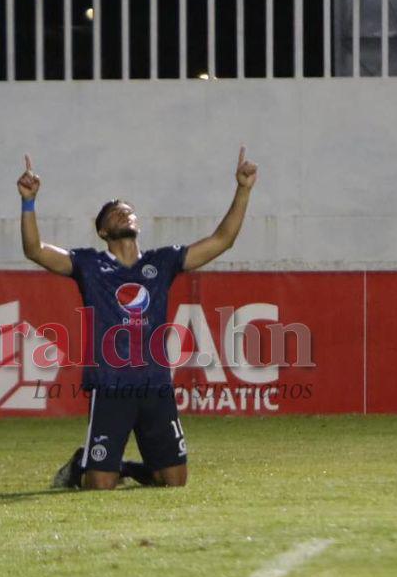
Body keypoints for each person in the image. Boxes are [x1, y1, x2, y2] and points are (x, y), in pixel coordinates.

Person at [17, 148, 259, 490]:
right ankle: (82, 466)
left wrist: (243, 189)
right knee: (99, 486)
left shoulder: (163, 262)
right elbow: (35, 250)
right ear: (102, 231)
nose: (125, 214)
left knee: (174, 482)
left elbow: (223, 240)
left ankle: (124, 467)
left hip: (155, 383)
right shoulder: (89, 265)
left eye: (128, 211)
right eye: (116, 213)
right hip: (111, 384)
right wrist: (29, 203)